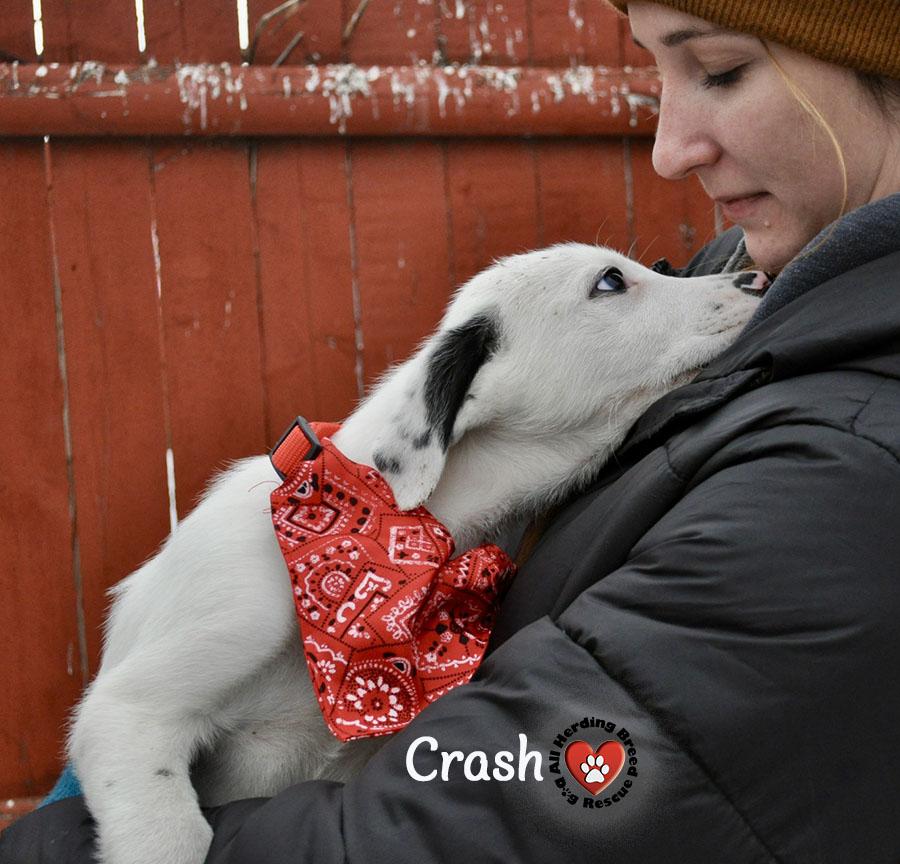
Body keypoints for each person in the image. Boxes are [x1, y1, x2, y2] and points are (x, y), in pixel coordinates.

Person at [2, 2, 899, 861]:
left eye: (720, 68)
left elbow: (467, 818)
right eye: (658, 72)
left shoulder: (836, 460)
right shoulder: (303, 539)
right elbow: (132, 728)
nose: (668, 151)